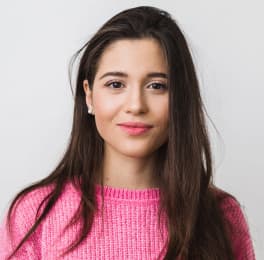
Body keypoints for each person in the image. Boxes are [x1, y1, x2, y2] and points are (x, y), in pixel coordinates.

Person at [0, 5, 256, 260]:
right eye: (115, 84)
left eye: (157, 86)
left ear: (180, 97)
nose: (136, 105)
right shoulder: (36, 214)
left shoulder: (220, 216)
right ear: (89, 94)